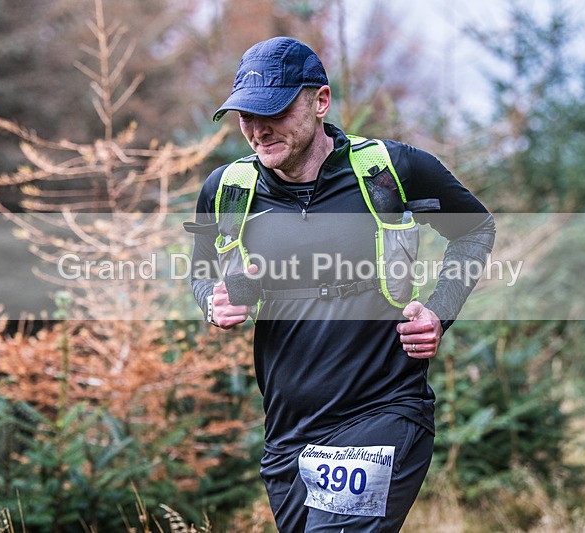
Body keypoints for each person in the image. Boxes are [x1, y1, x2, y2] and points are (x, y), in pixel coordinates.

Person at [188, 36, 494, 532]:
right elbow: (200, 271)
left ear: (320, 101)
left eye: (276, 111)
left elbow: (475, 230)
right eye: (246, 116)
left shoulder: (390, 171)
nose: (260, 130)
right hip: (288, 433)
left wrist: (440, 311)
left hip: (381, 410)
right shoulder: (228, 190)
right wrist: (213, 302)